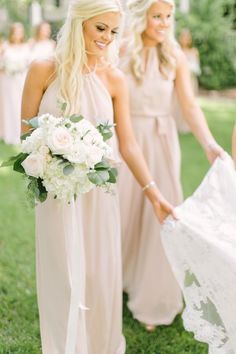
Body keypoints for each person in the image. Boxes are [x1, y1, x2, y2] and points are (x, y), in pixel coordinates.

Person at [21, 0, 176, 353]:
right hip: (57, 193)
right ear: (79, 25)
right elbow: (26, 136)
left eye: (113, 31)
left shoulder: (114, 79)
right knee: (64, 276)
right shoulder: (42, 70)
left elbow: (130, 146)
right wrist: (55, 156)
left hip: (101, 194)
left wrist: (154, 194)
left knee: (99, 276)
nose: (107, 38)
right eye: (100, 28)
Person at [119, 0, 225, 332]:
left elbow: (189, 105)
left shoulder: (175, 56)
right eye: (157, 16)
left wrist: (209, 143)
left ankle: (154, 299)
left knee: (160, 217)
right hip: (124, 141)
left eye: (169, 17)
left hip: (162, 141)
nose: (164, 23)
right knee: (121, 212)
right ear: (142, 17)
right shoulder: (122, 50)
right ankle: (117, 279)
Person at [0, 22, 30, 145]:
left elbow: (29, 64)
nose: (17, 34)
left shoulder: (26, 47)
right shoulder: (5, 47)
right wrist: (6, 68)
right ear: (11, 33)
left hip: (21, 81)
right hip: (7, 82)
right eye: (15, 32)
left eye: (19, 32)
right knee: (8, 105)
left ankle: (20, 132)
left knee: (20, 105)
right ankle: (7, 133)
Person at [173, 28, 201, 133]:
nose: (185, 39)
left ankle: (188, 125)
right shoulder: (177, 51)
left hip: (191, 80)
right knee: (177, 101)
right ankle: (177, 124)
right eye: (183, 37)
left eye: (187, 37)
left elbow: (197, 68)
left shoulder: (194, 51)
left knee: (190, 101)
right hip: (179, 80)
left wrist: (190, 69)